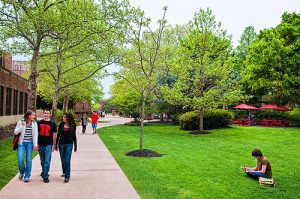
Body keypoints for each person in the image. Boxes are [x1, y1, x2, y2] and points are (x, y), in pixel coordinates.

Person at [14, 110, 38, 182]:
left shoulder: (34, 124)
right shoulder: (21, 122)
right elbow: (15, 132)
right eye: (33, 115)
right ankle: (22, 172)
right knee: (20, 160)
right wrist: (22, 126)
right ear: (29, 116)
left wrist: (35, 144)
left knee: (28, 160)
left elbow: (35, 134)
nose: (34, 116)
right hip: (21, 143)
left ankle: (27, 176)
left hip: (29, 144)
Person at [55, 112, 77, 183]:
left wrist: (75, 145)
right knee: (63, 159)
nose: (63, 118)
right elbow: (58, 135)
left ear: (68, 118)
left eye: (64, 117)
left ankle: (67, 176)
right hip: (61, 144)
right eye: (63, 117)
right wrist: (56, 145)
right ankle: (64, 171)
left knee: (67, 160)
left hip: (69, 144)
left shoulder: (73, 125)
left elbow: (74, 136)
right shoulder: (61, 124)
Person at [37, 109, 57, 183]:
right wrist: (36, 143)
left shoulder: (52, 123)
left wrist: (53, 144)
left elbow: (54, 135)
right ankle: (44, 170)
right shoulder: (39, 123)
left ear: (49, 114)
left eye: (47, 113)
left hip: (49, 144)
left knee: (47, 160)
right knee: (42, 160)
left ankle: (45, 176)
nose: (46, 114)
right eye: (45, 113)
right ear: (43, 114)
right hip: (41, 144)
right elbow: (36, 134)